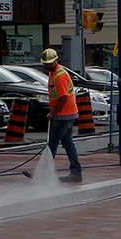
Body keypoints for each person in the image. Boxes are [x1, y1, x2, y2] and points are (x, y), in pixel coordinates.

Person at [40, 48, 82, 179]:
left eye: (50, 63)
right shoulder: (54, 72)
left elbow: (63, 97)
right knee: (67, 142)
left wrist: (53, 113)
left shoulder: (59, 76)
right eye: (45, 64)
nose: (48, 66)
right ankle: (76, 171)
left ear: (56, 61)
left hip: (64, 115)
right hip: (67, 114)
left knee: (52, 142)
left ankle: (44, 174)